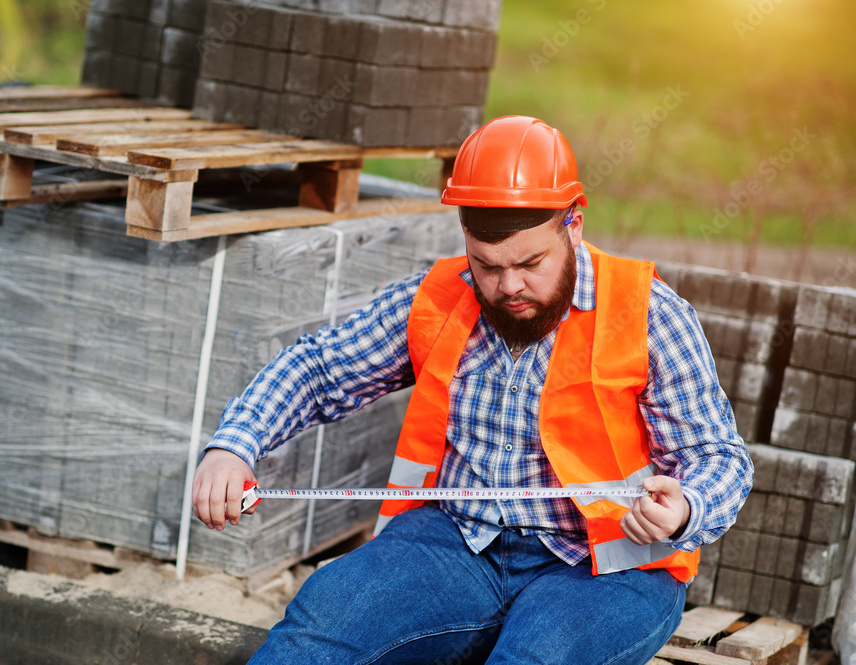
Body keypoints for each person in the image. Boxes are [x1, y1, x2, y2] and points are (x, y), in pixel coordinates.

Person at [192, 115, 753, 664]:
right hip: (455, 543)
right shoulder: (440, 298)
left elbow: (718, 459)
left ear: (574, 224)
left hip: (608, 567)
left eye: (530, 263)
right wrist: (235, 444)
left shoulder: (650, 314)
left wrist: (685, 506)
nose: (509, 287)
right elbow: (319, 368)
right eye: (486, 265)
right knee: (323, 623)